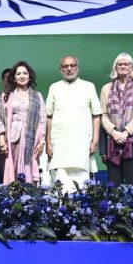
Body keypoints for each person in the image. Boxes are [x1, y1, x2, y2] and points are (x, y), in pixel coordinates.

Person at [45, 55, 101, 191]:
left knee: (81, 182)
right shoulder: (54, 87)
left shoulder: (89, 86)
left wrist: (95, 141)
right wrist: (48, 142)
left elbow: (96, 115)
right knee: (60, 182)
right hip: (59, 143)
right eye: (65, 66)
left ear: (78, 68)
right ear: (60, 69)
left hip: (82, 143)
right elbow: (49, 116)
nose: (69, 69)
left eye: (72, 65)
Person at [99, 53, 133, 185]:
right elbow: (103, 114)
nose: (123, 66)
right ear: (115, 67)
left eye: (126, 64)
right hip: (112, 140)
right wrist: (114, 133)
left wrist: (125, 133)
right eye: (120, 64)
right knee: (114, 182)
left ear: (131, 67)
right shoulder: (106, 88)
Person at [0, 61, 46, 184]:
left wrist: (42, 141)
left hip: (32, 139)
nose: (22, 76)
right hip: (12, 139)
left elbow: (43, 119)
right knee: (12, 172)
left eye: (25, 73)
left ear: (30, 76)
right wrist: (1, 139)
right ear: (14, 77)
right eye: (18, 74)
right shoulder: (6, 96)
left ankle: (29, 194)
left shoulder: (37, 96)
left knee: (29, 170)